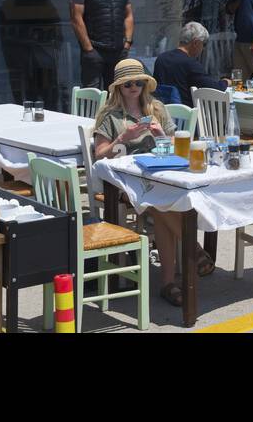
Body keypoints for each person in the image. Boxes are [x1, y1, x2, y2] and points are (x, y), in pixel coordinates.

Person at [89, 59, 211, 304]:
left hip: (158, 175)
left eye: (138, 82)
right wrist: (123, 137)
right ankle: (192, 251)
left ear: (145, 84)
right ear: (118, 88)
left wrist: (161, 135)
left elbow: (178, 149)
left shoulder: (156, 108)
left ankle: (168, 282)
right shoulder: (109, 115)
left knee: (160, 203)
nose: (134, 87)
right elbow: (99, 155)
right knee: (159, 203)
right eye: (127, 84)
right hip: (122, 182)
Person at [69, 0, 133, 91]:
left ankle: (115, 114)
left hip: (118, 50)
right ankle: (91, 115)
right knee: (92, 93)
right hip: (95, 50)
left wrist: (127, 43)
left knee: (118, 92)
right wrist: (88, 49)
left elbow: (128, 15)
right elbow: (76, 19)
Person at [0, 0, 62, 111]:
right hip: (20, 57)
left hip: (42, 56)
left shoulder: (42, 2)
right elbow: (4, 35)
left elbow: (56, 29)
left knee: (46, 91)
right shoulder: (8, 5)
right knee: (25, 90)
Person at [153, 22, 225, 107]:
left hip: (162, 111)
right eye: (204, 44)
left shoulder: (161, 58)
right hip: (184, 115)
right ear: (196, 43)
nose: (203, 48)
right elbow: (215, 89)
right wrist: (225, 82)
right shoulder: (191, 64)